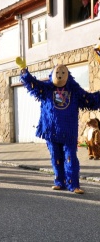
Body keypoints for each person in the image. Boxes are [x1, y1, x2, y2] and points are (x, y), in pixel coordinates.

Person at [16, 57, 100, 194]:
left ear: (68, 75)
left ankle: (74, 184)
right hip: (52, 131)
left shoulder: (74, 91)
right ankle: (59, 182)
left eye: (63, 73)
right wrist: (24, 71)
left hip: (68, 132)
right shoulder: (47, 89)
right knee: (56, 157)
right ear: (52, 74)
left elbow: (90, 99)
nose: (60, 75)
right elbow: (33, 84)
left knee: (70, 157)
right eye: (57, 73)